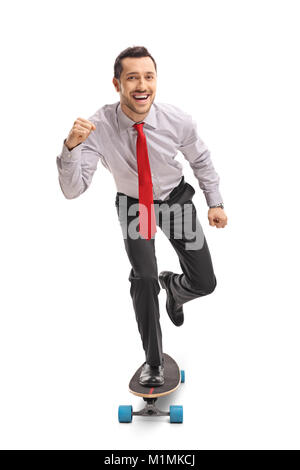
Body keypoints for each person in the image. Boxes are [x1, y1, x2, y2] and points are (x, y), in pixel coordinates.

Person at [56, 46, 228, 387]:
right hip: (136, 208)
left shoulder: (177, 120)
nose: (141, 85)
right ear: (117, 83)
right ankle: (153, 361)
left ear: (156, 81)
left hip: (175, 202)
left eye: (148, 76)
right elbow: (73, 189)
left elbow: (201, 160)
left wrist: (215, 202)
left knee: (205, 283)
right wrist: (71, 147)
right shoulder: (97, 127)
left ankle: (175, 289)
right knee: (144, 277)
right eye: (132, 77)